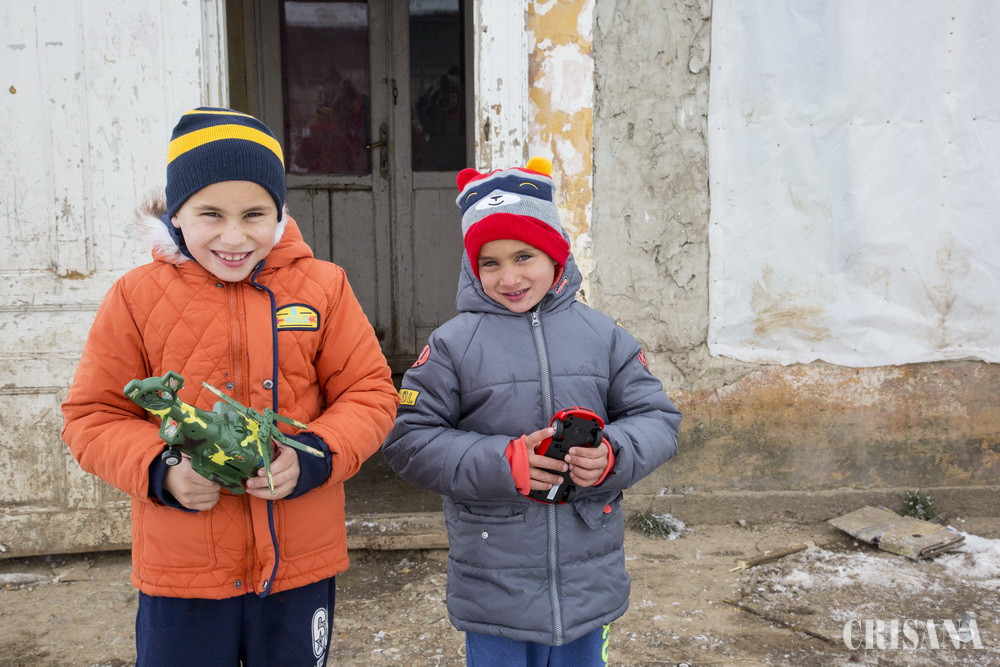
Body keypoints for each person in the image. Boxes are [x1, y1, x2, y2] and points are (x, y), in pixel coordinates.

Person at [61, 107, 398, 666]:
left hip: (297, 563)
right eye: (211, 214)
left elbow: (371, 393)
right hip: (183, 571)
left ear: (280, 213)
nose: (234, 236)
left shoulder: (324, 287)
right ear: (177, 213)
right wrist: (161, 469)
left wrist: (312, 455)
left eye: (254, 214)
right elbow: (92, 416)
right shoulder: (136, 297)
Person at [382, 157, 682, 666]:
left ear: (555, 253)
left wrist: (612, 453)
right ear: (472, 267)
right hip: (493, 579)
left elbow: (658, 420)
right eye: (490, 262)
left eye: (524, 256)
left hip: (588, 576)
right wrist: (504, 462)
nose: (510, 277)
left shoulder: (604, 336)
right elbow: (409, 441)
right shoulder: (452, 345)